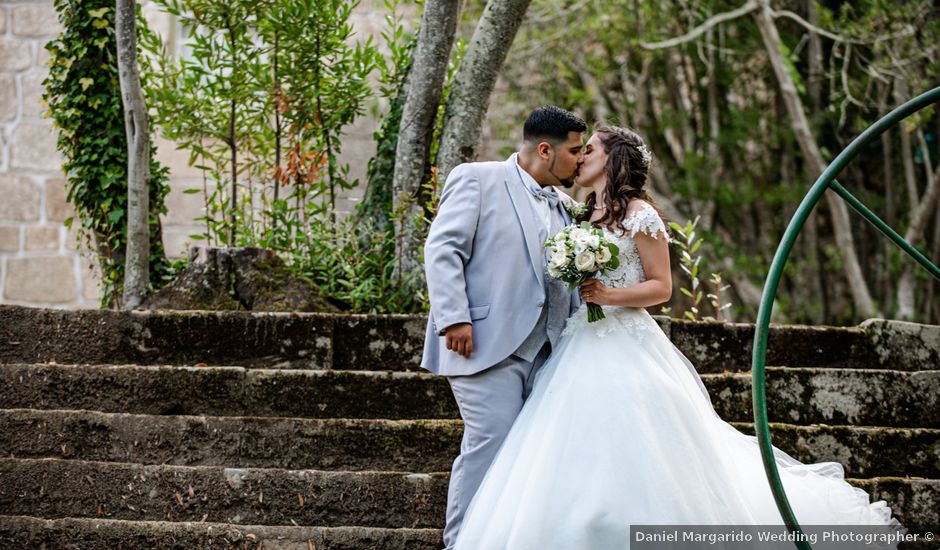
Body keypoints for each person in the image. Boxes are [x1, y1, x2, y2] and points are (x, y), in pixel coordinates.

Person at [452, 125, 904, 549]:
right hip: (577, 342)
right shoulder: (580, 213)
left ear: (613, 161)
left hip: (624, 342)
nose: (581, 156)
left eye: (590, 149)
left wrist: (610, 293)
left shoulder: (640, 214)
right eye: (579, 149)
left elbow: (662, 287)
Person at [421, 105, 587, 549]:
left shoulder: (566, 207)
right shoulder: (478, 178)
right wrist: (454, 317)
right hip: (484, 344)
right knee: (489, 445)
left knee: (530, 459)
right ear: (546, 150)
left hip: (548, 352)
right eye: (575, 151)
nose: (582, 160)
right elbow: (443, 249)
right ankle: (459, 544)